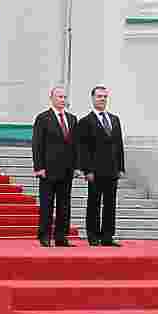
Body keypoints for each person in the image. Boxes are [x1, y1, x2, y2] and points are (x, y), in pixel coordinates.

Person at [75, 85, 125, 246]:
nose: (102, 99)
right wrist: (86, 170)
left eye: (104, 97)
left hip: (112, 170)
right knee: (94, 204)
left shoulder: (115, 120)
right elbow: (83, 148)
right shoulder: (85, 121)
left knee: (110, 204)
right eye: (99, 96)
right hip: (95, 171)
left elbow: (119, 145)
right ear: (92, 98)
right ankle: (93, 235)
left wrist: (121, 167)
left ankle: (107, 236)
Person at [31, 86, 79, 247]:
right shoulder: (43, 118)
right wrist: (39, 167)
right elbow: (37, 144)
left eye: (64, 97)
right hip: (48, 170)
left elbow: (75, 145)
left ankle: (61, 237)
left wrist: (76, 166)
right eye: (59, 97)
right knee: (47, 204)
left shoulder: (72, 119)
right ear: (51, 98)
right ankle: (44, 236)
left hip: (67, 170)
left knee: (64, 205)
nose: (62, 100)